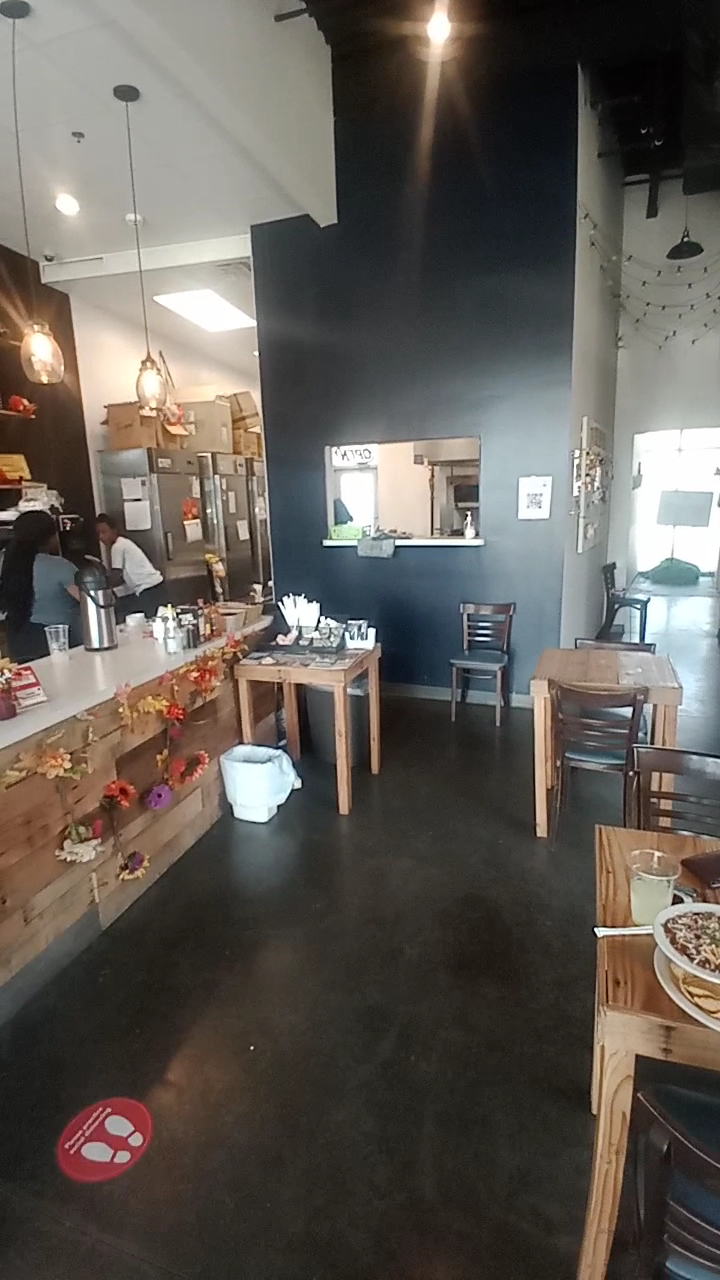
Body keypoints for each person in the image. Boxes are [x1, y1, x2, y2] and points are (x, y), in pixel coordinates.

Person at [0, 510, 81, 661]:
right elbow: (88, 601)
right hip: (58, 641)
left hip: (17, 640)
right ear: (50, 537)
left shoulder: (5, 563)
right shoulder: (60, 566)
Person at [95, 514, 168, 618]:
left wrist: (99, 584)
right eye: (98, 533)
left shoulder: (117, 547)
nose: (101, 537)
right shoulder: (124, 543)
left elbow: (117, 576)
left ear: (114, 530)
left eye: (104, 532)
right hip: (156, 588)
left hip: (149, 591)